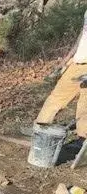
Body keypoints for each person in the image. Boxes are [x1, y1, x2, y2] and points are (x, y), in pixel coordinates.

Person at [32, 9, 87, 138]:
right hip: (77, 63)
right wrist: (68, 58)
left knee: (85, 104)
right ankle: (40, 129)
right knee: (57, 97)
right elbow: (82, 35)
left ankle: (83, 139)